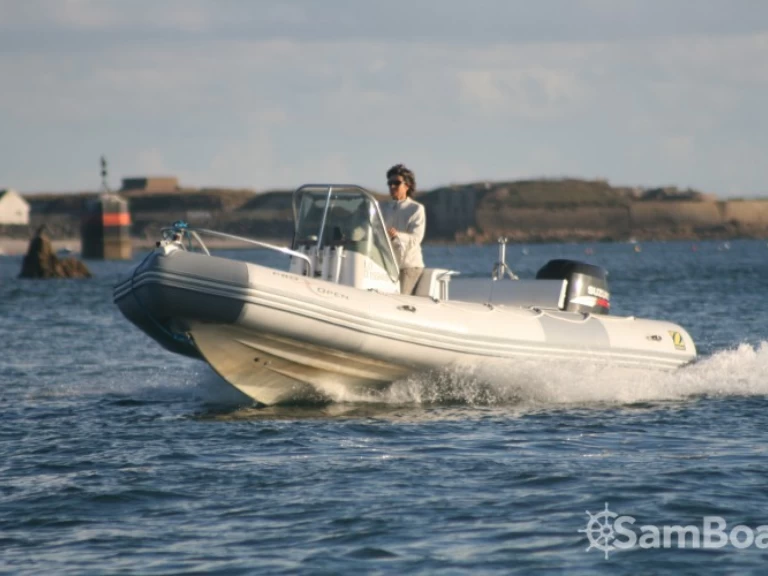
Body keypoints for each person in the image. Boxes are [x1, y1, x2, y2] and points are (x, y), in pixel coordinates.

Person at [380, 163, 425, 294]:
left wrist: (396, 235)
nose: (392, 186)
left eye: (396, 183)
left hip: (409, 266)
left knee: (399, 298)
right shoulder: (382, 208)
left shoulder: (416, 209)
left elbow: (416, 238)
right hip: (386, 264)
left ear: (407, 185)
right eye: (390, 183)